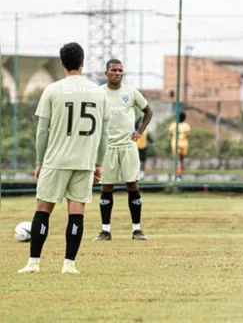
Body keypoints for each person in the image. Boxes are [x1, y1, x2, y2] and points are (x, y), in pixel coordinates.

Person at [18, 42, 110, 274]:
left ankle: (34, 263)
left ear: (61, 64)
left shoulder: (52, 90)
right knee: (76, 212)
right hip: (84, 161)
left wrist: (40, 161)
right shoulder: (99, 92)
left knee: (42, 210)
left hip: (56, 160)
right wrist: (98, 163)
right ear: (82, 63)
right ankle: (69, 264)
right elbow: (104, 133)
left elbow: (42, 131)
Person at [93, 59, 153, 242]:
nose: (117, 73)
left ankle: (137, 230)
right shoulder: (99, 93)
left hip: (128, 146)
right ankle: (105, 231)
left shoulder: (131, 92)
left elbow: (148, 111)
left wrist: (140, 132)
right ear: (106, 73)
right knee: (107, 187)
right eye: (114, 70)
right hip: (108, 147)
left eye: (120, 70)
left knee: (133, 185)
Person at [169, 112, 191, 181]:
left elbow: (170, 133)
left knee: (178, 160)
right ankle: (179, 175)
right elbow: (188, 134)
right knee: (181, 161)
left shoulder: (173, 125)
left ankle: (178, 176)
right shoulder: (186, 125)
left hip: (175, 143)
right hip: (184, 143)